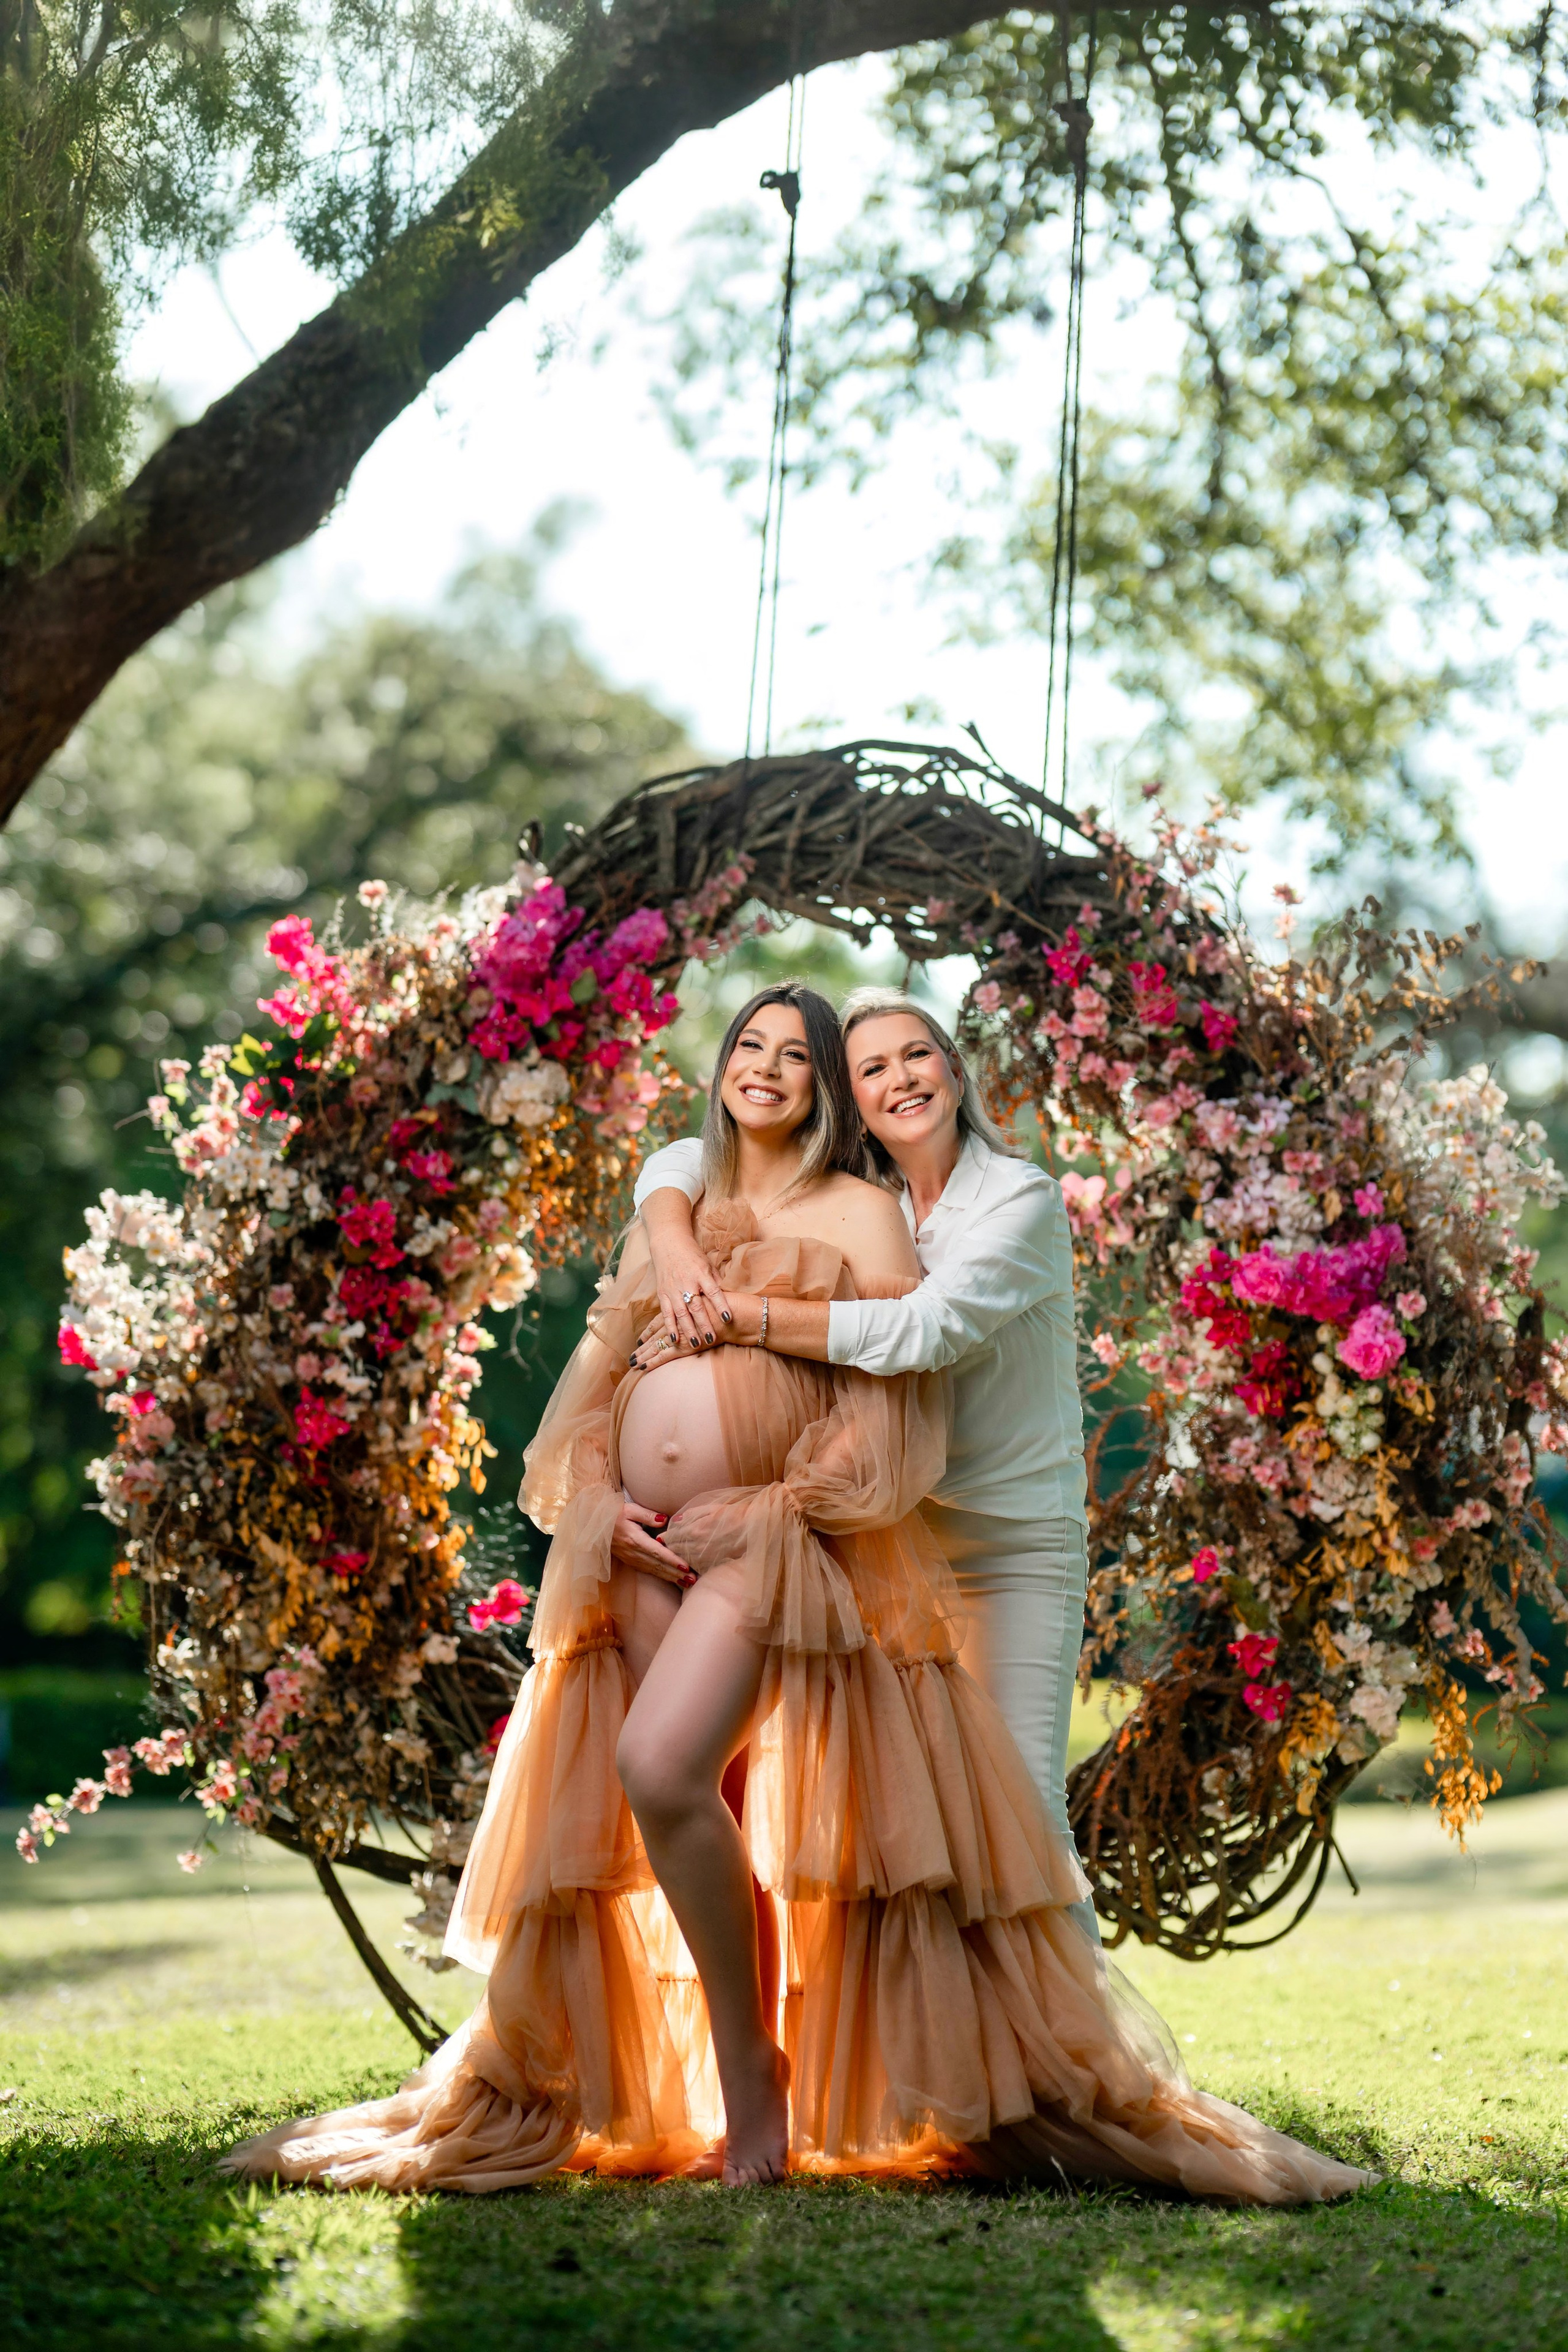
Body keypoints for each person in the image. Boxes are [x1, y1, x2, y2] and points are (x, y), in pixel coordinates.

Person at [224, 983, 1370, 2201]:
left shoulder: (951, 1206)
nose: (831, 1074)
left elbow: (908, 1359)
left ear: (898, 1080)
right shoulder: (690, 1192)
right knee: (690, 1799)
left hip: (906, 1541)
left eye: (870, 1057)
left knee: (966, 1825)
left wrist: (766, 1476)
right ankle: (734, 2081)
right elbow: (607, 1356)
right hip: (660, 1542)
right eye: (758, 1048)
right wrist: (603, 1492)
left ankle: (1033, 2087)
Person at [630, 988, 1093, 1887]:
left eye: (916, 1055)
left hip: (1007, 1547)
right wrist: (675, 1243)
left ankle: (1066, 2032)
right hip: (884, 1534)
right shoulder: (862, 1196)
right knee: (905, 1817)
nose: (900, 1079)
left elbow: (922, 1333)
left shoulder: (1020, 1201)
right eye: (871, 1068)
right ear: (853, 1097)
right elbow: (689, 1155)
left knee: (1019, 1808)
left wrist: (736, 1315)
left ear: (953, 1069)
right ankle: (945, 2029)